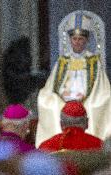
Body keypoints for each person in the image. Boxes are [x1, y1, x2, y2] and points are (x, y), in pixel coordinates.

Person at [36, 11, 111, 147]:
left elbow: (102, 90)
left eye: (80, 39)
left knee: (92, 106)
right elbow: (51, 86)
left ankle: (90, 142)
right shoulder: (63, 61)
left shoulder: (94, 62)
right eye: (74, 38)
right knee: (47, 101)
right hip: (63, 100)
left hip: (87, 100)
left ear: (87, 40)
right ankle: (55, 143)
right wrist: (61, 94)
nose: (77, 42)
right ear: (70, 39)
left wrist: (85, 96)